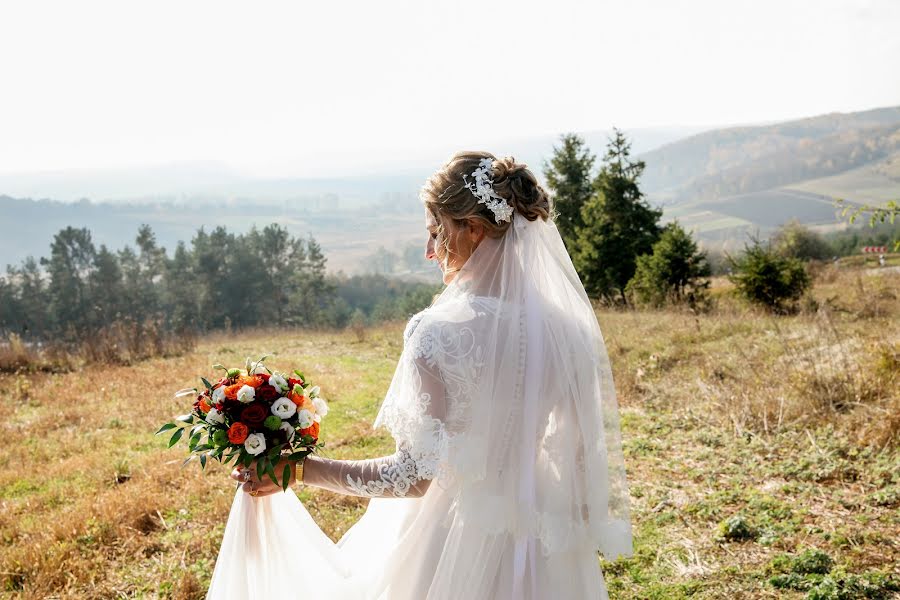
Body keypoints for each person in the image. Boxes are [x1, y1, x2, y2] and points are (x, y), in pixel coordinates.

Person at [209, 151, 632, 599]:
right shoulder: (569, 331)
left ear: (473, 228)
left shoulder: (437, 332)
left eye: (436, 232)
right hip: (543, 539)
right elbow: (582, 464)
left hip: (450, 537)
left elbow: (412, 477)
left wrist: (299, 468)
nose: (429, 251)